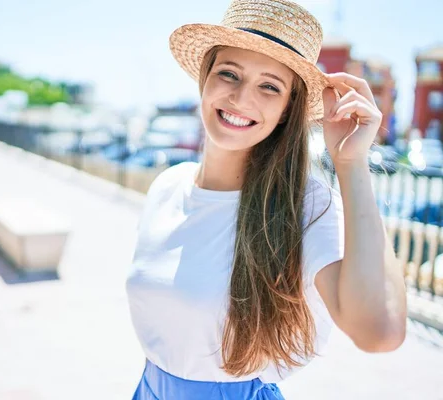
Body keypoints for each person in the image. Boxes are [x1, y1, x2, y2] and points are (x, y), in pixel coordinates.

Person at [125, 0, 408, 399]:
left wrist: (351, 164)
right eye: (229, 74)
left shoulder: (305, 206)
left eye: (269, 86)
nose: (242, 98)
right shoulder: (168, 185)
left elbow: (379, 332)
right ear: (205, 78)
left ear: (287, 108)